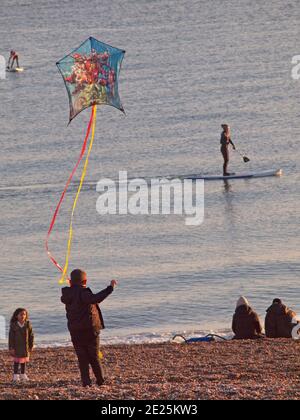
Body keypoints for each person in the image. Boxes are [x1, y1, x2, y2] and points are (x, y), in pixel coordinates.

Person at [61, 269, 117, 387]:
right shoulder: (83, 293)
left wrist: (72, 286)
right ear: (85, 281)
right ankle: (100, 381)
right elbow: (96, 298)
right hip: (89, 330)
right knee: (94, 356)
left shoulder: (67, 294)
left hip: (75, 330)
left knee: (82, 358)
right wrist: (110, 288)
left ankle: (86, 383)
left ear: (70, 281)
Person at [9, 308, 34, 383]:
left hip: (25, 346)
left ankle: (23, 374)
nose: (23, 316)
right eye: (21, 314)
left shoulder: (28, 324)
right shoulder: (14, 325)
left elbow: (31, 335)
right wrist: (11, 347)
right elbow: (11, 337)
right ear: (17, 316)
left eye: (24, 314)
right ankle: (15, 376)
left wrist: (31, 345)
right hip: (16, 346)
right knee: (16, 361)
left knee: (24, 361)